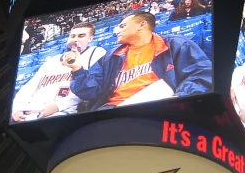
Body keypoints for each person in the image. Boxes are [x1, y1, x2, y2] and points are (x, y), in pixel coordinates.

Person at [61, 12, 212, 110]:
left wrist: (178, 100)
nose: (116, 31)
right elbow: (92, 91)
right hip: (113, 111)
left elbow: (200, 74)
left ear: (142, 25)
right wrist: (77, 68)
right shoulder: (111, 56)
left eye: (122, 26)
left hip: (159, 107)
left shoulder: (176, 45)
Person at [11, 22, 106, 122]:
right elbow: (30, 86)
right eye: (72, 36)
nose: (75, 39)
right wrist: (16, 107)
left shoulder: (96, 52)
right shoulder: (52, 60)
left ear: (90, 39)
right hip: (31, 111)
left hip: (64, 112)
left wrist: (58, 106)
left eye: (81, 36)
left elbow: (91, 87)